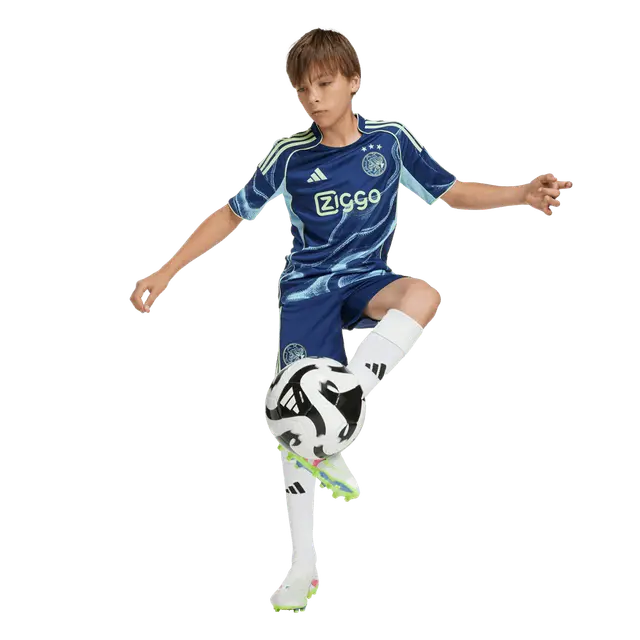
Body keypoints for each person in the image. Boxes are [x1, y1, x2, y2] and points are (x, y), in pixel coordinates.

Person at [130, 25, 573, 616]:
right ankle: (301, 571)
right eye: (302, 89)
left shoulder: (390, 142)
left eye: (324, 83)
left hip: (367, 279)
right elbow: (231, 215)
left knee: (423, 295)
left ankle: (345, 407)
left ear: (353, 81)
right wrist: (166, 271)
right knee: (294, 433)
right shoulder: (290, 156)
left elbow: (450, 191)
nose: (313, 98)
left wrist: (520, 195)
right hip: (308, 292)